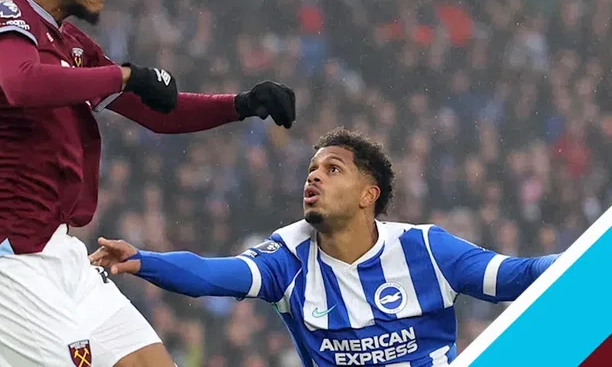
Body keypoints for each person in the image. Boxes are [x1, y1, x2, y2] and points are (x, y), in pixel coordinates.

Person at [0, 0, 296, 367]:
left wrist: (242, 104)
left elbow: (158, 113)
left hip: (59, 251)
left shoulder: (72, 46)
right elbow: (22, 83)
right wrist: (125, 75)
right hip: (0, 259)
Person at [90, 127, 561, 367]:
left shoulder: (425, 250)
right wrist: (143, 260)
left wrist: (591, 259)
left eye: (333, 169)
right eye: (312, 170)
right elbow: (213, 275)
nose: (314, 177)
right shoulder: (288, 257)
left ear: (368, 194)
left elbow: (519, 277)